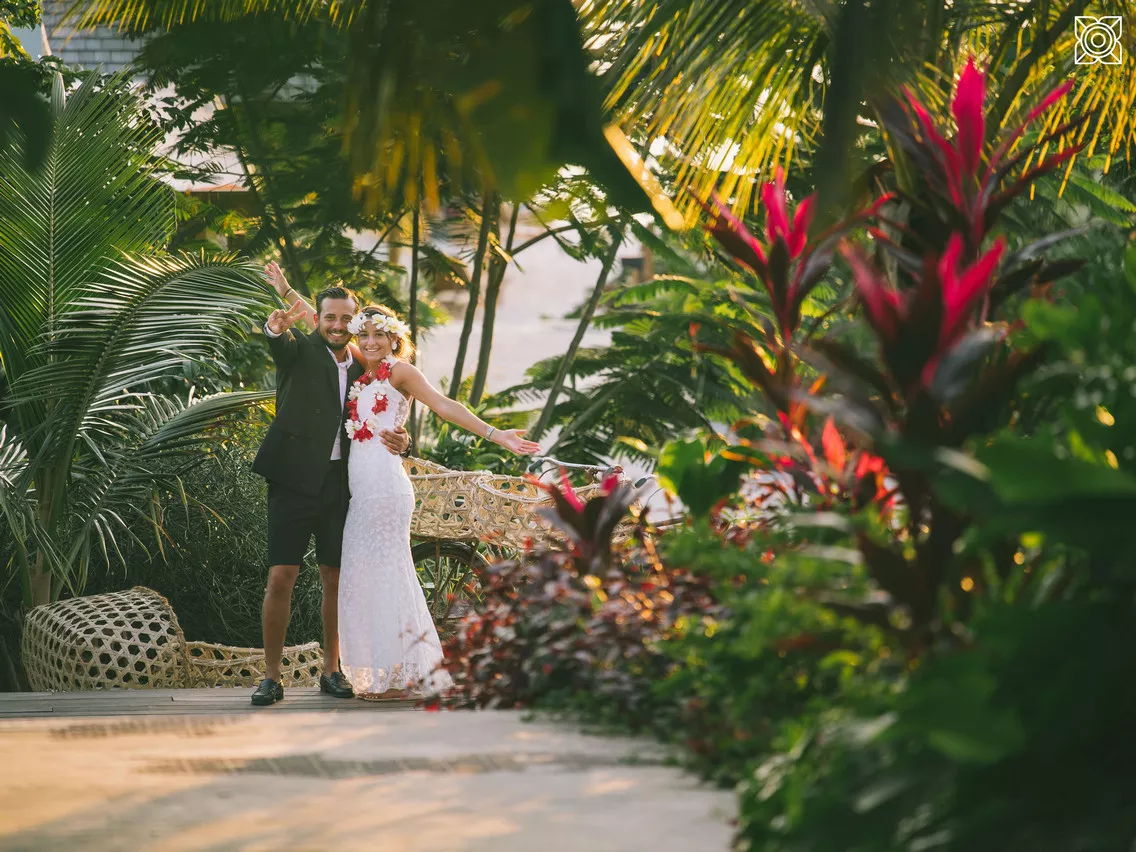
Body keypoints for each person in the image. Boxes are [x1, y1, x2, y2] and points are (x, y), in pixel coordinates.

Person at [338, 305, 541, 698]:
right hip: (362, 489)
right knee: (364, 576)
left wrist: (496, 434)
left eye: (377, 334)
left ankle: (407, 676)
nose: (369, 341)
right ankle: (383, 674)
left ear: (394, 338)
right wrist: (285, 290)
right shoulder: (363, 376)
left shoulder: (400, 371)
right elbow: (324, 320)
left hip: (385, 487)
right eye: (362, 335)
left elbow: (443, 405)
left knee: (388, 576)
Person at [250, 266, 410, 707]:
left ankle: (331, 670)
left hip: (342, 484)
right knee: (281, 577)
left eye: (345, 320)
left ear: (355, 324)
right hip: (292, 481)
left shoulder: (364, 362)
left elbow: (392, 406)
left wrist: (405, 439)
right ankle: (271, 677)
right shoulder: (299, 349)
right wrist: (275, 322)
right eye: (328, 318)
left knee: (335, 578)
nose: (337, 326)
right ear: (316, 320)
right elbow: (282, 339)